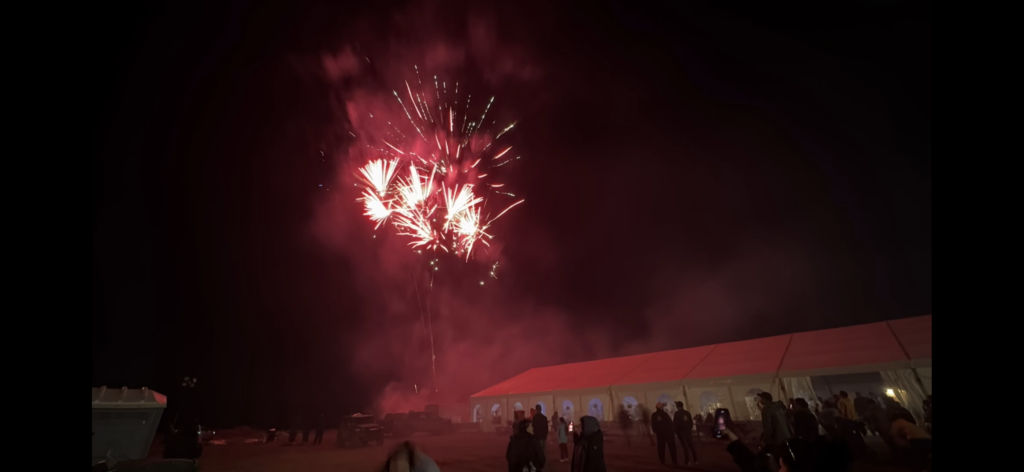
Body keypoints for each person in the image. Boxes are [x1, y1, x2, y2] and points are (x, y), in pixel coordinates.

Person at [756, 392, 792, 459]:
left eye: (761, 398)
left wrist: (766, 441)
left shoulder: (766, 410)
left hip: (776, 440)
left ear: (764, 399)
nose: (760, 400)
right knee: (787, 459)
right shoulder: (778, 407)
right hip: (786, 437)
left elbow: (768, 427)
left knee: (780, 460)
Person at [673, 401, 698, 465]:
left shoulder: (677, 413)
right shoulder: (687, 413)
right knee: (691, 446)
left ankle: (688, 461)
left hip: (681, 432)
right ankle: (696, 460)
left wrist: (675, 431)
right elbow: (691, 423)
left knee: (685, 447)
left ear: (677, 406)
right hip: (688, 431)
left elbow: (676, 424)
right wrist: (689, 429)